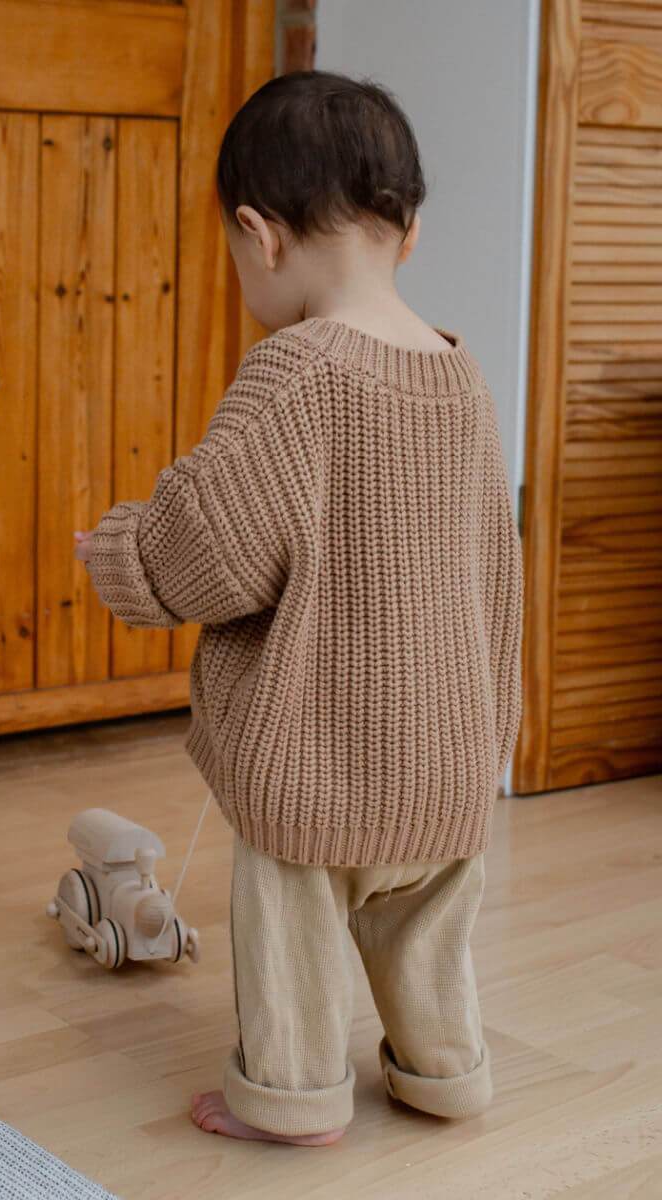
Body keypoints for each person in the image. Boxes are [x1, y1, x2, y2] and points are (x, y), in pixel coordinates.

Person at [74, 71, 522, 1147]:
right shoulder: (462, 375)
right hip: (453, 755)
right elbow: (489, 562)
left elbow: (212, 543)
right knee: (428, 934)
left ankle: (293, 1090)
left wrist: (123, 550)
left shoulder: (294, 377)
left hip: (323, 759)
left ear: (259, 236)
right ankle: (445, 1069)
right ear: (409, 233)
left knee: (295, 920)